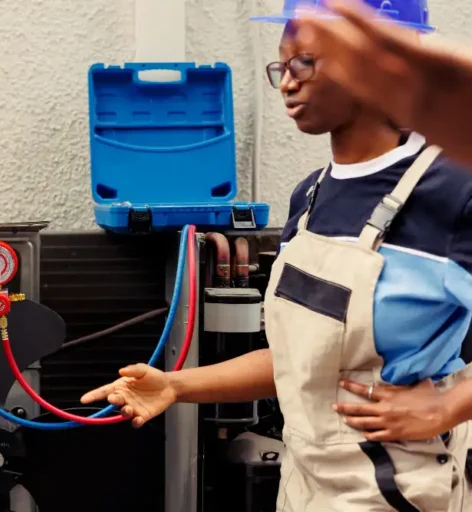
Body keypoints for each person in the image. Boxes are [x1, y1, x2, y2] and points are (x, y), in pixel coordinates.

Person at [82, 1, 472, 510]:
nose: (287, 82)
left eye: (305, 62)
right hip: (305, 489)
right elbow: (300, 361)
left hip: (401, 493)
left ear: (375, 61)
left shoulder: (452, 192)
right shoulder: (310, 198)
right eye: (281, 66)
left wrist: (448, 406)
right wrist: (176, 386)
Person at [293, 0, 472, 167]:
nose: (288, 84)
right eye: (286, 66)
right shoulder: (307, 193)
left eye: (306, 63)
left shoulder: (451, 187)